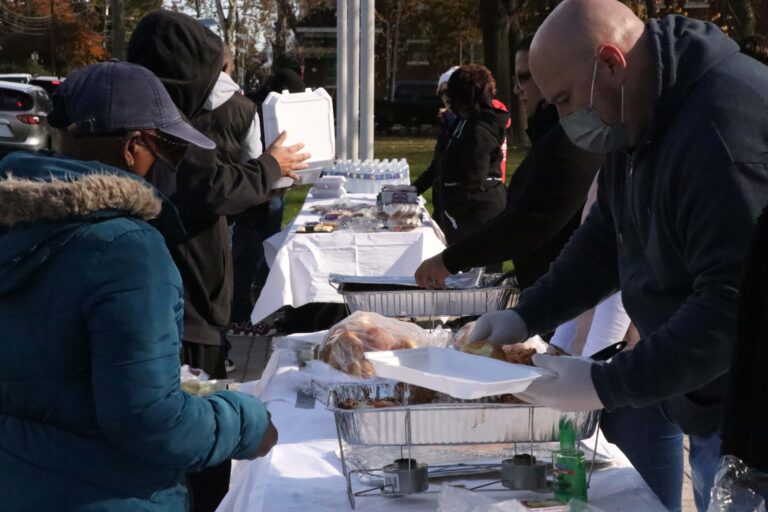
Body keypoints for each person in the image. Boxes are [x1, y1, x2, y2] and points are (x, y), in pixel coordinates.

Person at [468, 1, 768, 510]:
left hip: (750, 419)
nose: (562, 120)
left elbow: (731, 307)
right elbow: (607, 237)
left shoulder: (721, 131)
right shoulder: (641, 112)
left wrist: (605, 384)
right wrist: (526, 315)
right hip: (708, 402)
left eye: (564, 100)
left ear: (611, 62)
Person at [0, 61, 277, 511]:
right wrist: (246, 420)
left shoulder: (15, 224)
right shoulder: (127, 248)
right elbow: (149, 420)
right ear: (132, 149)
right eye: (166, 149)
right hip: (109, 493)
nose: (171, 166)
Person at [127, 10, 308, 512]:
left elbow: (218, 179)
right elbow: (210, 185)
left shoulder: (169, 125)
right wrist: (270, 166)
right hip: (183, 313)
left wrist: (263, 172)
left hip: (192, 308)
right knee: (195, 455)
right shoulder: (160, 133)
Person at [415, 37, 602, 291]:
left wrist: (450, 259)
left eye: (524, 78)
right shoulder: (551, 136)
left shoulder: (569, 142)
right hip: (548, 292)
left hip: (563, 297)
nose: (517, 90)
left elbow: (529, 225)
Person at [231, 67, 307, 333]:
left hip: (269, 188)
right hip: (255, 192)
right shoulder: (252, 109)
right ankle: (240, 314)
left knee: (263, 249)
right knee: (247, 253)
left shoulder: (259, 106)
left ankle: (257, 299)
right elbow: (252, 154)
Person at [435, 64, 508, 248]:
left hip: (480, 216)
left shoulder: (479, 129)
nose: (447, 99)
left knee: (482, 274)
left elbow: (474, 180)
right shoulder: (464, 122)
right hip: (466, 215)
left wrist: (452, 209)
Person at [413, 65, 459, 228]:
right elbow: (436, 166)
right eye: (441, 93)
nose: (445, 97)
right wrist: (411, 191)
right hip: (442, 206)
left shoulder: (470, 125)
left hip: (459, 211)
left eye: (448, 91)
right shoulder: (447, 123)